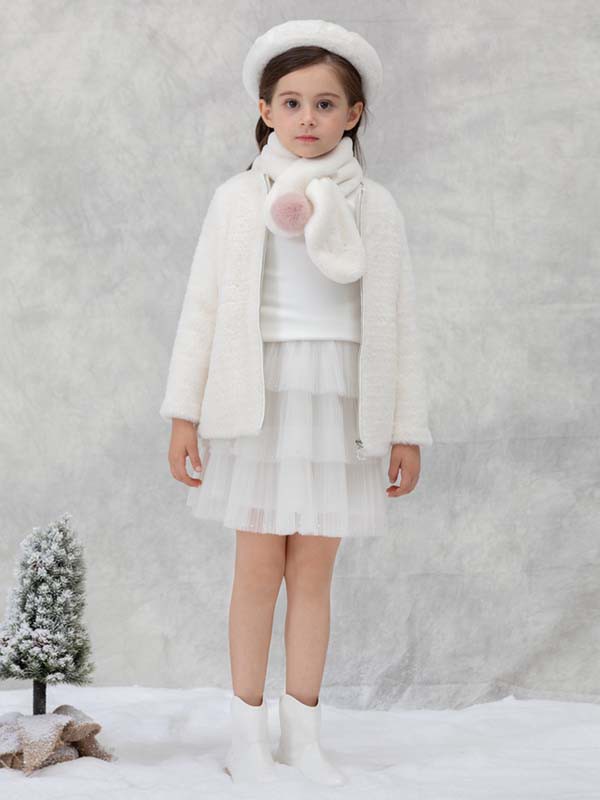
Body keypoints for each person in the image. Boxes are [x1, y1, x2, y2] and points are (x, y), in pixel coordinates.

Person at [159, 18, 433, 786]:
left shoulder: (376, 207)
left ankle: (302, 735)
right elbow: (203, 309)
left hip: (339, 403)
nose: (307, 118)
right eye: (291, 102)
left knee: (313, 572)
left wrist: (406, 429)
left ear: (353, 114)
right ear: (264, 109)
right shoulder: (236, 200)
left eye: (325, 103)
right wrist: (184, 414)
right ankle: (246, 736)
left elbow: (399, 319)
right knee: (257, 567)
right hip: (260, 398)